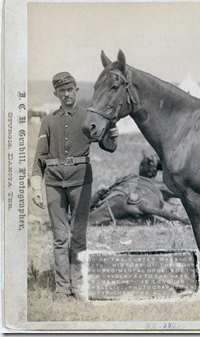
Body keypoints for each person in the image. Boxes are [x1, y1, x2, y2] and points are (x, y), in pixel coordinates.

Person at [30, 72, 119, 301]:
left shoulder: (87, 117)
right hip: (53, 184)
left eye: (70, 89)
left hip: (81, 182)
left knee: (78, 236)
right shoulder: (48, 121)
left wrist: (112, 135)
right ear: (56, 93)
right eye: (62, 90)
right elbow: (39, 158)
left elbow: (108, 146)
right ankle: (62, 288)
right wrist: (36, 187)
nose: (67, 94)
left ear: (76, 89)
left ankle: (78, 286)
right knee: (60, 237)